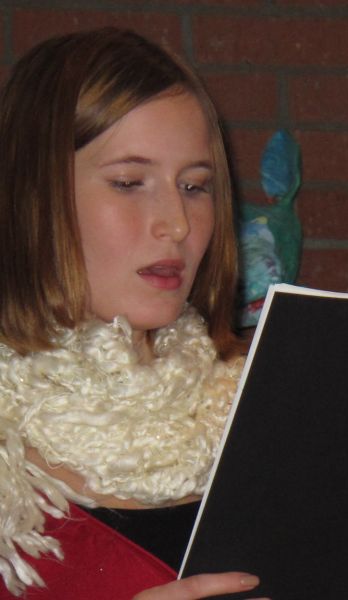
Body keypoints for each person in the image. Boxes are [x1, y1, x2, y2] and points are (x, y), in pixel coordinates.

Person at [0, 28, 264, 599]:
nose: (178, 224)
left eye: (194, 186)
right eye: (128, 183)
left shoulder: (268, 408)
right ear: (33, 198)